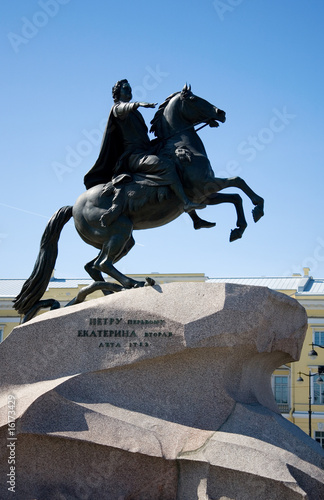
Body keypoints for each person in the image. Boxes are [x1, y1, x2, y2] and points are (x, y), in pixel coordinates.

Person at [84, 79, 215, 228]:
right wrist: (138, 104)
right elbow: (121, 109)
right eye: (126, 89)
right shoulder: (118, 109)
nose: (129, 91)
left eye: (130, 88)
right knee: (166, 165)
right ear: (118, 93)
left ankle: (195, 219)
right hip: (134, 156)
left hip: (146, 150)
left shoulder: (135, 114)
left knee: (180, 163)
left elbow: (143, 139)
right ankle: (185, 203)